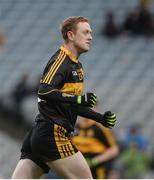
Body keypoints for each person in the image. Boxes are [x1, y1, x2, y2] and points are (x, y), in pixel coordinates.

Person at [11, 16, 117, 179]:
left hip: (41, 134)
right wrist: (78, 99)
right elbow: (44, 90)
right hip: (52, 133)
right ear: (71, 35)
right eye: (85, 32)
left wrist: (100, 118)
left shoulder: (76, 66)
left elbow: (68, 104)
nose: (90, 37)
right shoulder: (62, 60)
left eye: (91, 33)